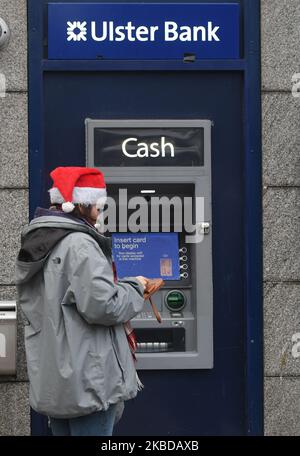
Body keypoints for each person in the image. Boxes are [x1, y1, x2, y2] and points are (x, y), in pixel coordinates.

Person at [16, 166, 148, 436]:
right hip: (89, 378)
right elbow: (104, 306)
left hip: (59, 378)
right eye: (98, 206)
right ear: (82, 204)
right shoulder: (80, 244)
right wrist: (137, 287)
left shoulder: (40, 241)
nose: (100, 212)